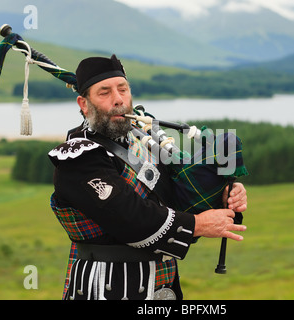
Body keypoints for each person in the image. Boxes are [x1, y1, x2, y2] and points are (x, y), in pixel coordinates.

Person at [48, 55, 248, 300]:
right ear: (83, 103)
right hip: (104, 289)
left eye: (123, 89)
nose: (118, 100)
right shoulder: (79, 158)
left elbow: (177, 200)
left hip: (163, 286)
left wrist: (224, 193)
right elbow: (131, 218)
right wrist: (199, 225)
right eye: (104, 93)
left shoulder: (142, 141)